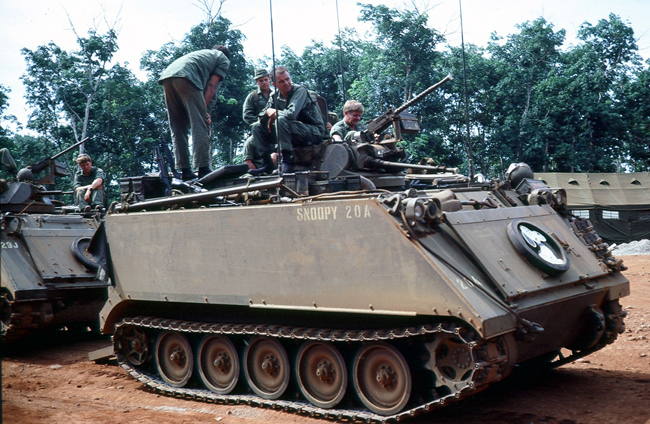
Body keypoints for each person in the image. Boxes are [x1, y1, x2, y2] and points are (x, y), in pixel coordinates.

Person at [159, 45, 231, 180]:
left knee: (177, 125)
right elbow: (211, 86)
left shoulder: (203, 55)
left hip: (168, 76)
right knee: (199, 123)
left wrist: (204, 110)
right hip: (187, 76)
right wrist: (204, 113)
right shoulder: (223, 59)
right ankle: (203, 168)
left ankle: (185, 170)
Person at [250, 66, 325, 173]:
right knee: (257, 127)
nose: (286, 83)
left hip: (313, 132)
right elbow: (261, 117)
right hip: (293, 130)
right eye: (281, 81)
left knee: (280, 120)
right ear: (274, 85)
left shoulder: (300, 91)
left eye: (287, 79)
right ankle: (267, 164)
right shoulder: (274, 96)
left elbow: (291, 114)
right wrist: (267, 112)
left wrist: (275, 112)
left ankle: (287, 161)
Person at [241, 69, 276, 171]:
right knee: (252, 141)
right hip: (261, 129)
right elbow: (247, 115)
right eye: (261, 80)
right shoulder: (253, 97)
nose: (264, 82)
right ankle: (266, 164)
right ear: (257, 82)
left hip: (276, 127)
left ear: (269, 79)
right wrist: (260, 122)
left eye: (266, 79)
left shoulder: (275, 94)